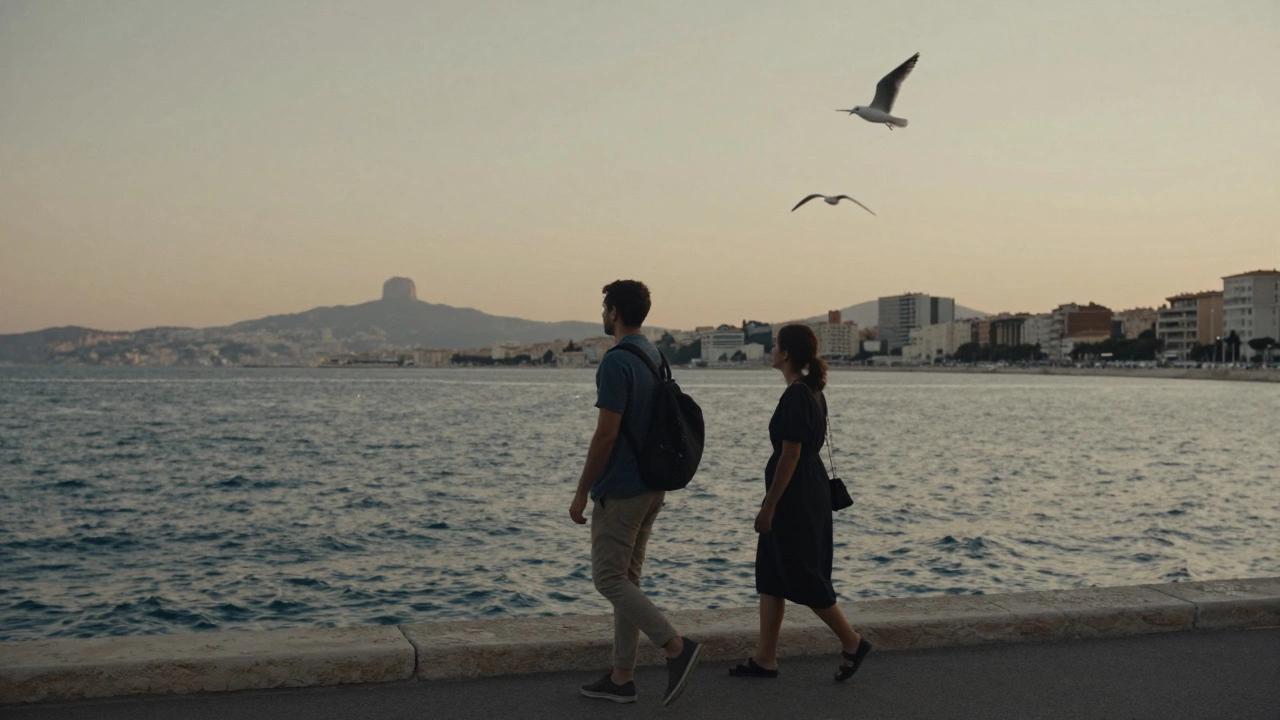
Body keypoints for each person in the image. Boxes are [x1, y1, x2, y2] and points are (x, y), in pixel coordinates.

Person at [569, 279, 702, 707]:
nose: (602, 314)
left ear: (613, 311)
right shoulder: (655, 355)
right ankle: (622, 676)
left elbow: (606, 433)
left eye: (604, 307)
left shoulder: (615, 362)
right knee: (627, 579)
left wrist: (581, 492)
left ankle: (676, 647)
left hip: (622, 488)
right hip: (653, 486)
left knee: (608, 578)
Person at [729, 324, 872, 682]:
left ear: (787, 354)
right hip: (808, 489)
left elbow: (789, 456)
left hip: (795, 496)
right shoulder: (811, 391)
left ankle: (853, 641)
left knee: (803, 572)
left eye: (776, 345)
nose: (772, 350)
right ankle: (765, 658)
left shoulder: (796, 395)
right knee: (772, 575)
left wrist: (769, 506)